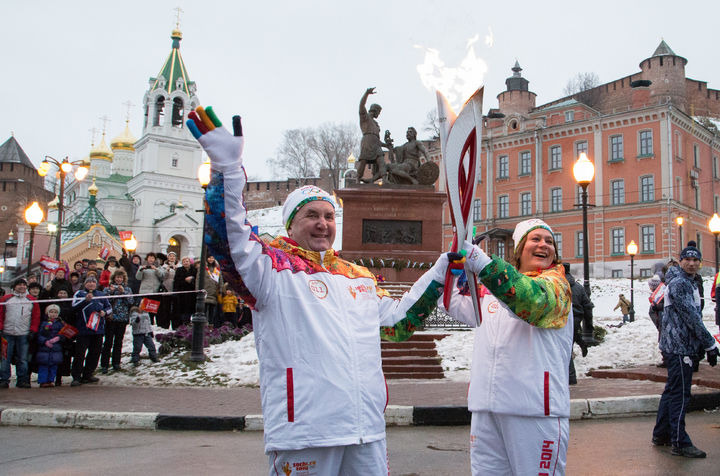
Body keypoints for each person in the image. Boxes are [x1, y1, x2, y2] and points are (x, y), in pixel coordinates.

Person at [188, 106, 447, 475]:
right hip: (306, 432)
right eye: (311, 215)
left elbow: (398, 323)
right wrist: (228, 171)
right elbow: (230, 243)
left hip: (365, 432)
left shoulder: (357, 277)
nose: (323, 224)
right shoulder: (271, 269)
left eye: (328, 216)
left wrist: (440, 271)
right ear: (291, 224)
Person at [441, 218, 572, 475]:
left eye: (549, 241)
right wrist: (452, 270)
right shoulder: (492, 290)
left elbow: (528, 300)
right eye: (535, 239)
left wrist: (482, 263)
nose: (544, 245)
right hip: (486, 408)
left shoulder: (556, 287)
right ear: (519, 248)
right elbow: (451, 304)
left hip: (535, 410)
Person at [652, 241, 718, 458]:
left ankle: (661, 433)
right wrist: (709, 344)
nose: (691, 263)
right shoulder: (681, 283)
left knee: (672, 390)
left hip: (677, 345)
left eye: (695, 260)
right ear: (680, 261)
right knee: (680, 395)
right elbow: (691, 317)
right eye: (687, 259)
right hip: (680, 347)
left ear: (700, 262)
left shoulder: (687, 281)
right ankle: (680, 442)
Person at [70, 276, 112, 386]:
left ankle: (88, 374)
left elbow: (109, 308)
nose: (91, 284)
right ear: (85, 284)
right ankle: (76, 376)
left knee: (95, 353)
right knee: (80, 354)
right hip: (83, 330)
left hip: (98, 330)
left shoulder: (101, 294)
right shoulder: (79, 293)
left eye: (93, 282)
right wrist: (85, 300)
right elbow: (73, 307)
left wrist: (104, 312)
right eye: (89, 282)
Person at [0, 278, 41, 388]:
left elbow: (36, 317)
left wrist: (33, 330)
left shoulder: (31, 300)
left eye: (24, 285)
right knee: (5, 358)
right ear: (14, 287)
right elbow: (0, 315)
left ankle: (22, 379)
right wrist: (1, 328)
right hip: (7, 333)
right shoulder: (6, 299)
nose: (22, 287)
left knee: (22, 359)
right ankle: (4, 379)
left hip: (24, 333)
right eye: (19, 285)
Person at [100, 270, 133, 373]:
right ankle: (104, 364)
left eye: (121, 277)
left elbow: (131, 301)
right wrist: (111, 292)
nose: (119, 279)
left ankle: (116, 363)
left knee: (118, 342)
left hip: (122, 318)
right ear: (114, 278)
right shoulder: (107, 289)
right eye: (117, 277)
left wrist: (123, 293)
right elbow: (104, 301)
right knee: (108, 342)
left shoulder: (127, 289)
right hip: (111, 318)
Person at [563, 263, 591, 385]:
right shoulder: (579, 287)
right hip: (576, 319)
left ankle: (571, 377)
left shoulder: (557, 285)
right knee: (569, 344)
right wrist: (589, 327)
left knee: (566, 349)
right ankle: (582, 343)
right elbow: (587, 305)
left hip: (563, 320)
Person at [356, 87, 388, 183]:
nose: (379, 114)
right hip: (367, 142)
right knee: (363, 161)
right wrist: (366, 93)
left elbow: (377, 139)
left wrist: (386, 145)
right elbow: (361, 105)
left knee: (381, 160)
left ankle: (385, 179)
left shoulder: (376, 124)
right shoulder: (365, 117)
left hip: (376, 145)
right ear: (375, 110)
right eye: (379, 112)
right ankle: (358, 179)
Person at [35, 304, 65, 388]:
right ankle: (43, 381)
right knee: (43, 366)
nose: (53, 314)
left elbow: (64, 334)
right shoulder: (44, 323)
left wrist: (58, 338)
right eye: (51, 312)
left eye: (55, 312)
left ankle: (51, 380)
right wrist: (45, 341)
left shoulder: (60, 324)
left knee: (53, 366)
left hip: (56, 349)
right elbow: (39, 335)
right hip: (44, 349)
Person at [135, 252, 165, 324]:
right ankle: (145, 323)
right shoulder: (142, 266)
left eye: (152, 258)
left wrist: (156, 269)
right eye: (149, 258)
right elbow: (138, 278)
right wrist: (141, 270)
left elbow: (162, 276)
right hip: (145, 291)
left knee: (153, 310)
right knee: (145, 310)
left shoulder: (159, 267)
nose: (151, 259)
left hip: (155, 291)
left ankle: (152, 323)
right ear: (147, 259)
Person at [199, 255, 223, 327]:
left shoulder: (217, 269)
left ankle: (211, 325)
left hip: (214, 292)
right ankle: (203, 325)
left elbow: (220, 280)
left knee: (212, 311)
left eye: (212, 258)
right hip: (204, 292)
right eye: (209, 258)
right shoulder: (203, 268)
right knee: (204, 310)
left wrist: (220, 290)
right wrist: (198, 290)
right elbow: (198, 279)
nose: (211, 259)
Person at [173, 256, 197, 325]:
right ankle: (183, 322)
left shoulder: (194, 270)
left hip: (192, 292)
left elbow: (197, 279)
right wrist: (185, 280)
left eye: (187, 261)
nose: (186, 263)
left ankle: (189, 321)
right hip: (182, 293)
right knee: (182, 309)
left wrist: (192, 279)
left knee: (191, 308)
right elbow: (177, 281)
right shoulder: (179, 270)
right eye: (184, 262)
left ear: (190, 262)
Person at [158, 251, 178, 328]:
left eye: (173, 256)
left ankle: (175, 325)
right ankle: (165, 324)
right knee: (166, 307)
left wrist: (176, 269)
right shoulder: (164, 266)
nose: (172, 258)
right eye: (170, 256)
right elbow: (162, 277)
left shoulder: (179, 266)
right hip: (166, 288)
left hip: (175, 289)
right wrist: (167, 270)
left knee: (175, 308)